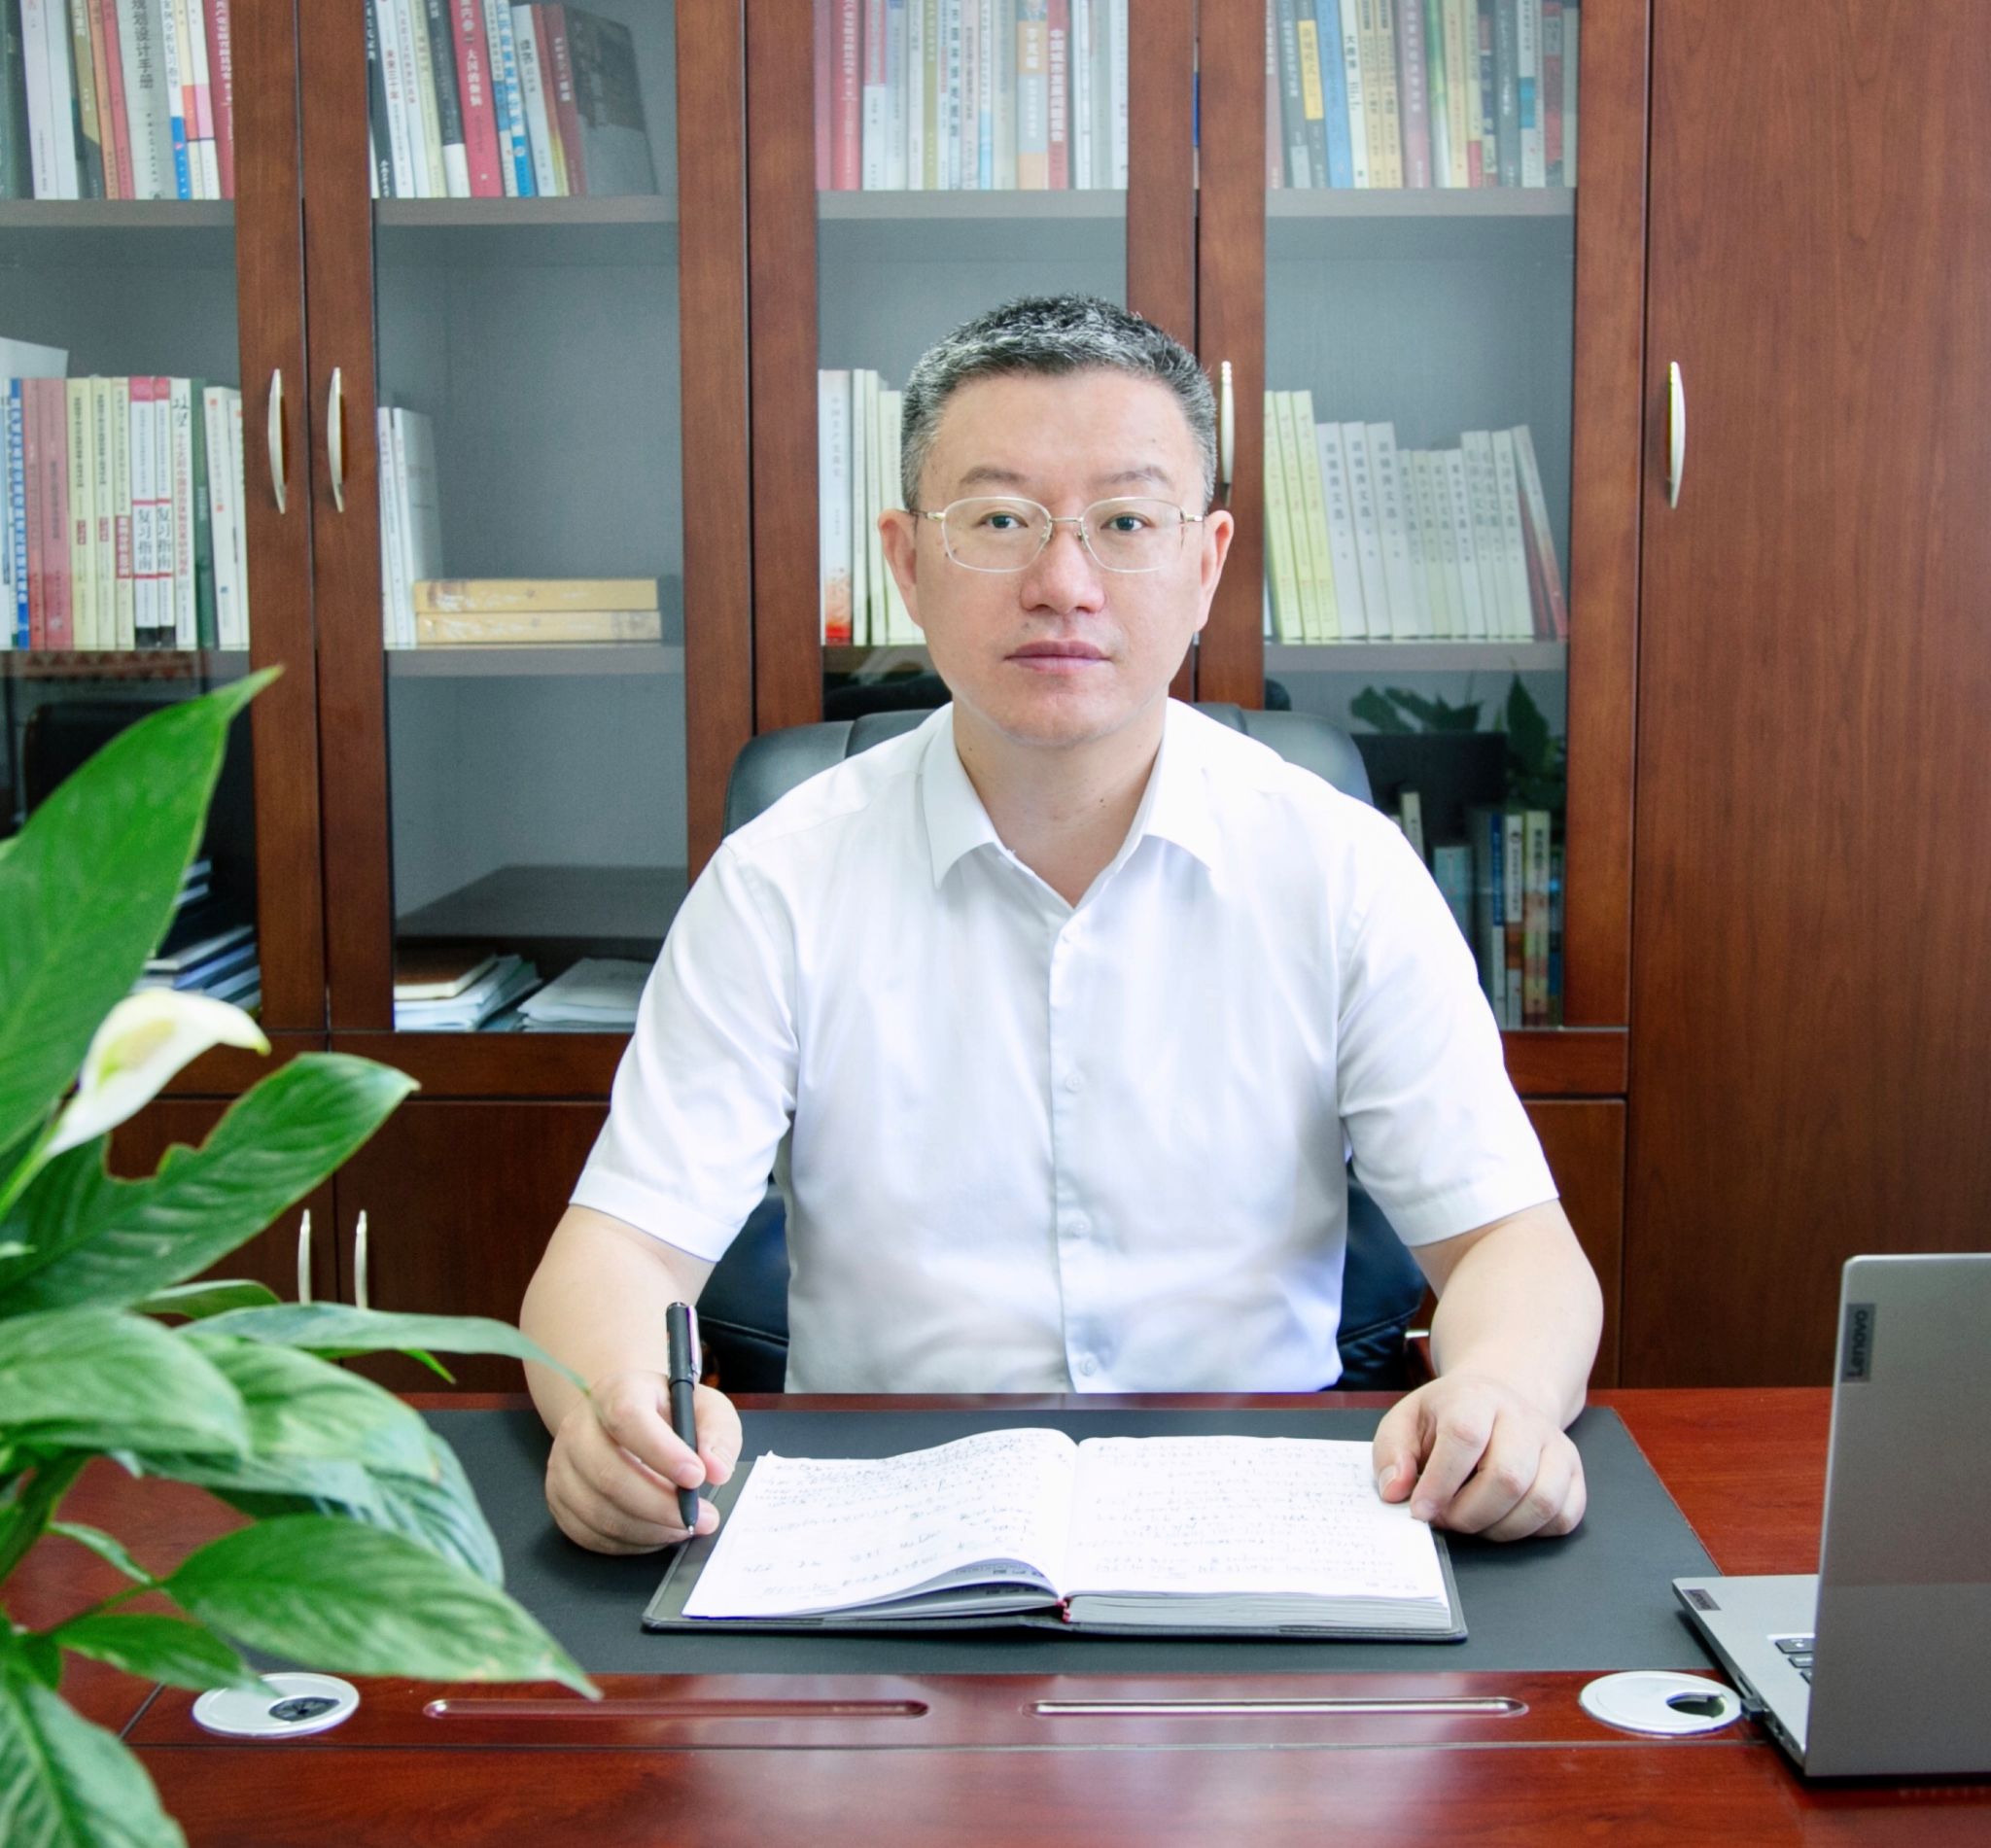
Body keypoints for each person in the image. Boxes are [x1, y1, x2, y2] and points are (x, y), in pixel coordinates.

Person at [520, 295, 1602, 1558]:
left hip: (1265, 1514)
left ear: (1206, 563)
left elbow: (1512, 1244)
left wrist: (1504, 1394)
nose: (1063, 585)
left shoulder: (1342, 871)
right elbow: (616, 1252)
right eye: (998, 522)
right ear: (908, 563)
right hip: (878, 1524)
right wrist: (610, 1409)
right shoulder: (779, 882)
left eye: (1126, 523)